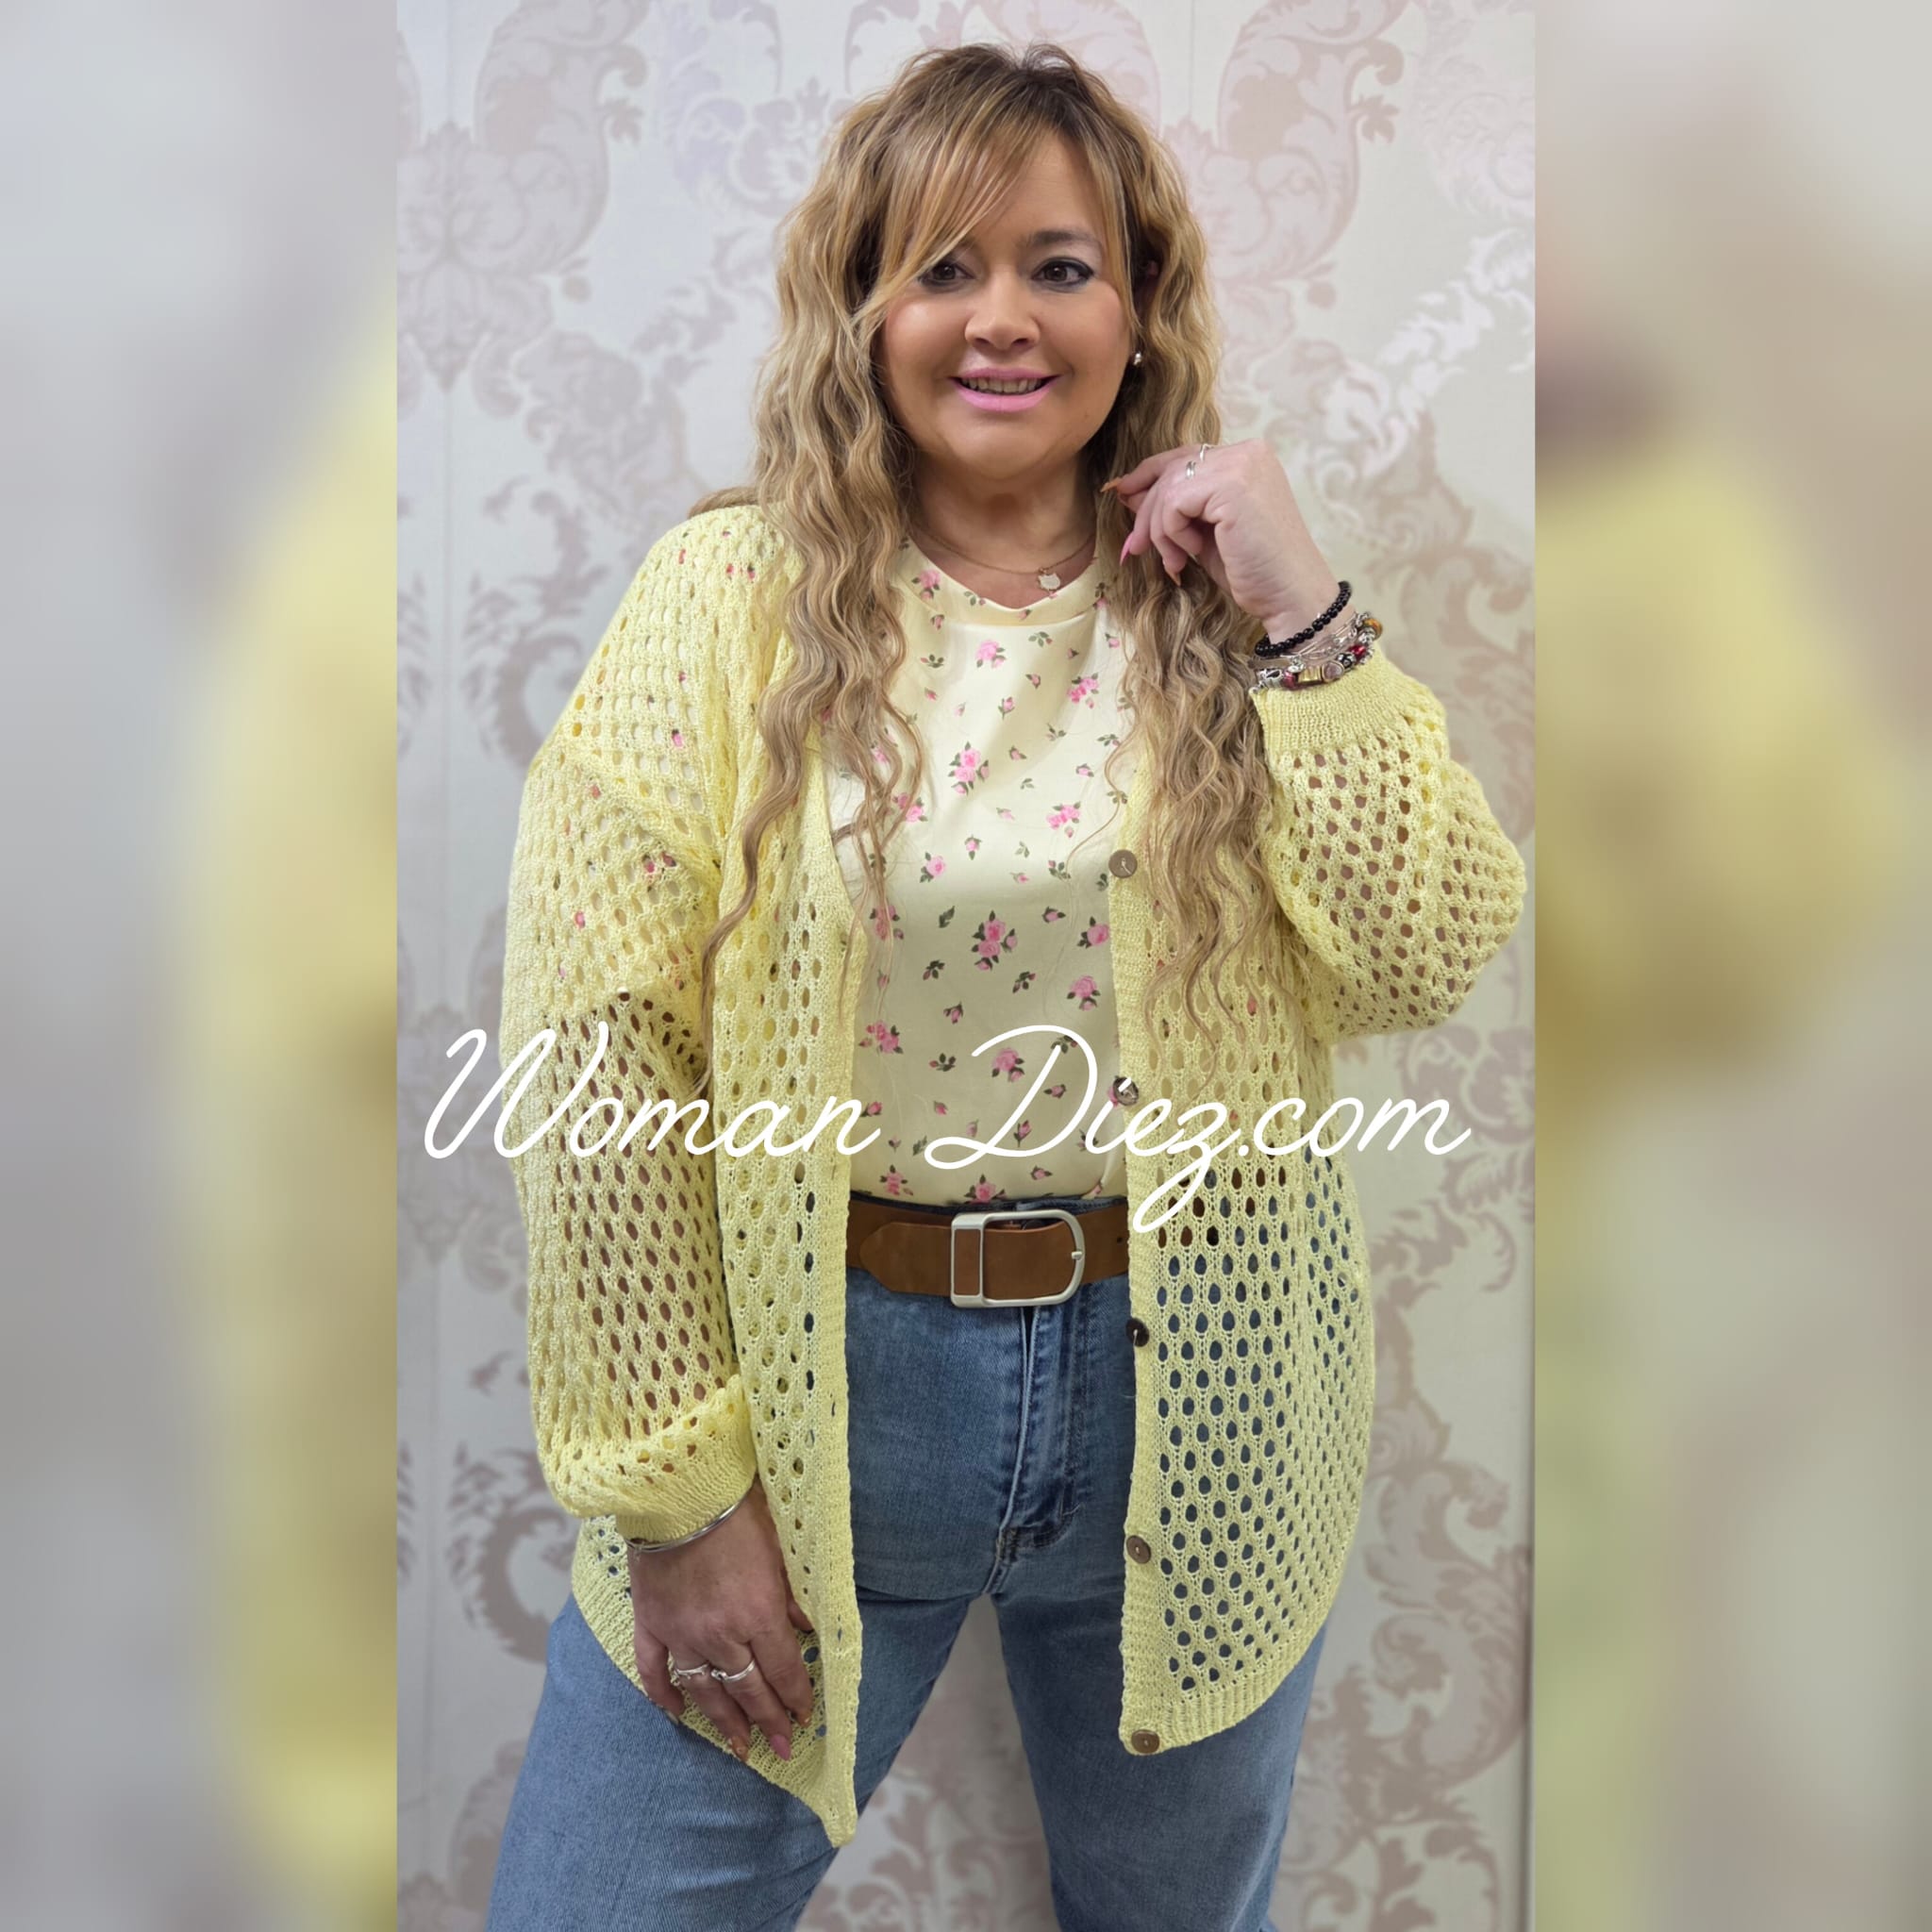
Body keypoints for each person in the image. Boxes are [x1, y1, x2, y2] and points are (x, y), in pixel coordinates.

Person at [484, 40, 1525, 1932]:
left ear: (1138, 309)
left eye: (1059, 266)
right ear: (863, 308)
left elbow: (1426, 950)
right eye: (941, 267)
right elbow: (599, 1056)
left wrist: (1300, 610)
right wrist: (677, 1498)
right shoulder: (729, 600)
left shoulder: (1220, 607)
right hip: (827, 1391)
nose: (1000, 319)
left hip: (1201, 1393)